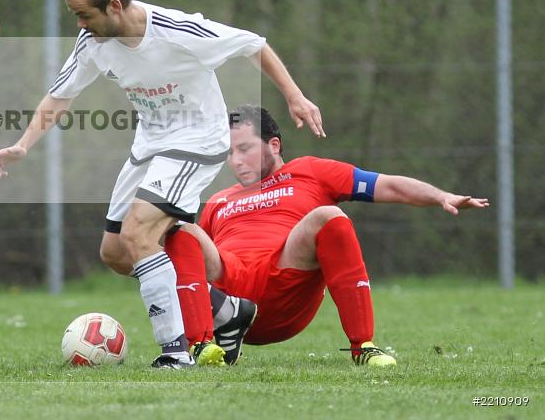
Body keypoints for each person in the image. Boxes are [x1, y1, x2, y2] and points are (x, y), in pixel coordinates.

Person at [0, 0, 323, 368]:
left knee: (139, 230)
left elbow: (254, 43)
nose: (79, 25)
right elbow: (61, 95)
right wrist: (23, 145)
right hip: (149, 146)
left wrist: (295, 96)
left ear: (114, 6)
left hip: (198, 140)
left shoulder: (177, 31)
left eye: (83, 15)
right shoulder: (93, 41)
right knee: (115, 252)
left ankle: (176, 352)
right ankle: (225, 311)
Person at [181, 104, 488, 366]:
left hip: (285, 285)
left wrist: (440, 196)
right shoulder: (219, 199)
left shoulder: (311, 171)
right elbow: (190, 265)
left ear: (273, 145)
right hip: (230, 292)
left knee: (328, 216)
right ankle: (200, 345)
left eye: (244, 149)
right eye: (229, 152)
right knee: (180, 228)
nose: (235, 160)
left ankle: (363, 346)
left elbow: (389, 185)